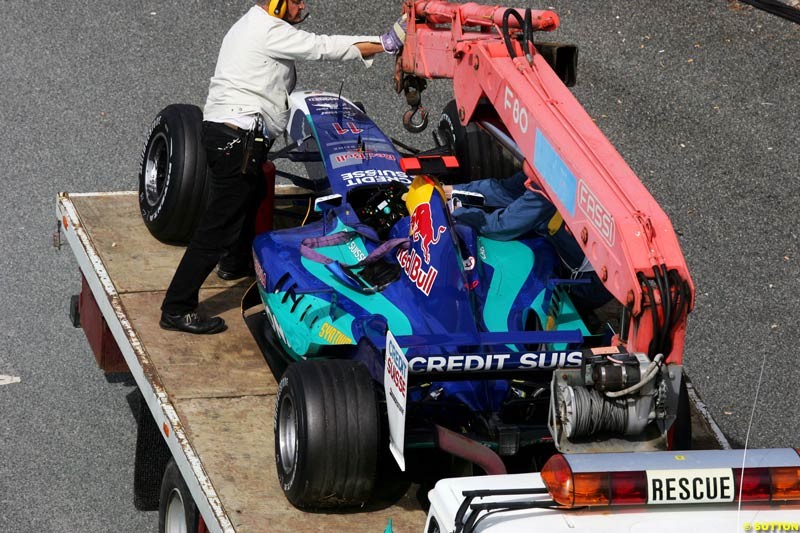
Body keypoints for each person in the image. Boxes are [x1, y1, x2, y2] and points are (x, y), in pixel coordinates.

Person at [160, 0, 407, 334]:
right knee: (217, 227)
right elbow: (323, 47)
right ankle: (177, 307)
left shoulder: (249, 24)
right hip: (238, 141)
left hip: (229, 137)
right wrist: (386, 42)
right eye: (296, 0)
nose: (302, 6)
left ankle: (235, 264)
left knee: (253, 195)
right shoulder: (268, 30)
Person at [446, 171, 615, 315]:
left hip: (591, 282)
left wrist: (457, 211)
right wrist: (453, 191)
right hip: (569, 254)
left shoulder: (553, 182)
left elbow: (500, 228)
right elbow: (505, 190)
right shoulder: (549, 165)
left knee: (523, 305)